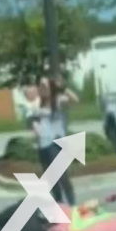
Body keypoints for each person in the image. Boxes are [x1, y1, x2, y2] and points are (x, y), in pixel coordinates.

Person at [25, 75, 78, 205]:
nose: (41, 88)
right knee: (52, 180)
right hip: (43, 146)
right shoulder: (37, 103)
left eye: (44, 85)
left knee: (63, 178)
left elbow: (75, 100)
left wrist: (63, 87)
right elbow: (31, 121)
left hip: (57, 144)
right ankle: (60, 207)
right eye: (40, 85)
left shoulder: (58, 100)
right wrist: (34, 126)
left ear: (50, 88)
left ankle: (73, 207)